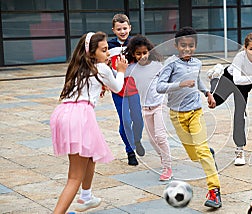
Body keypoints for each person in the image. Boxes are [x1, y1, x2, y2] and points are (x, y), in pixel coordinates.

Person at [50, 32, 128, 213]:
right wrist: (121, 70)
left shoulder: (79, 68)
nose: (107, 53)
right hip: (80, 116)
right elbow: (117, 87)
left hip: (64, 113)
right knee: (74, 177)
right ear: (91, 53)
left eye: (107, 49)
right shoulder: (102, 68)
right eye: (104, 50)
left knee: (91, 153)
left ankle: (86, 196)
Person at [156, 27, 222, 208]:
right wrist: (180, 84)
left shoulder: (197, 63)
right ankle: (209, 153)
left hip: (195, 112)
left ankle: (214, 191)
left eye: (191, 46)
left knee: (201, 151)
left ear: (195, 46)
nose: (187, 49)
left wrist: (207, 93)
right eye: (183, 45)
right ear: (176, 45)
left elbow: (198, 79)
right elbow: (159, 87)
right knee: (195, 155)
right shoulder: (171, 63)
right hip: (177, 115)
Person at [207, 32, 252, 166]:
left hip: (244, 87)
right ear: (245, 48)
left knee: (239, 115)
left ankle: (239, 150)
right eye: (251, 49)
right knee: (214, 103)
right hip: (229, 79)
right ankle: (215, 76)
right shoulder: (240, 57)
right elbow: (237, 79)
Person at [125, 35, 173, 181]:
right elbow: (118, 77)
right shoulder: (131, 69)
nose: (142, 56)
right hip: (145, 108)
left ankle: (167, 166)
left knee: (160, 136)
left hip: (160, 105)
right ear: (133, 54)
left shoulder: (158, 65)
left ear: (149, 52)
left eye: (144, 52)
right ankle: (163, 158)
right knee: (152, 140)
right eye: (138, 53)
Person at [108, 13, 145, 166]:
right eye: (119, 29)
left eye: (125, 28)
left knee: (138, 120)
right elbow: (102, 64)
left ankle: (137, 139)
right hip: (118, 90)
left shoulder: (136, 43)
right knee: (125, 121)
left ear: (130, 27)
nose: (122, 31)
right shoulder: (109, 46)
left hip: (134, 88)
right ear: (113, 30)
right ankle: (130, 151)